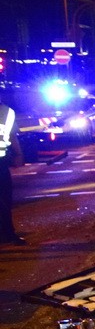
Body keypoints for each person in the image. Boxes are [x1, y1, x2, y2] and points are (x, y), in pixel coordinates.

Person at [0, 96, 26, 246]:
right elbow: (12, 135)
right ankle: (8, 234)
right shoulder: (6, 111)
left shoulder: (7, 112)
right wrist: (18, 154)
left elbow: (11, 134)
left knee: (4, 201)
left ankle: (7, 234)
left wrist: (18, 154)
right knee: (4, 200)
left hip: (1, 162)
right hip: (1, 162)